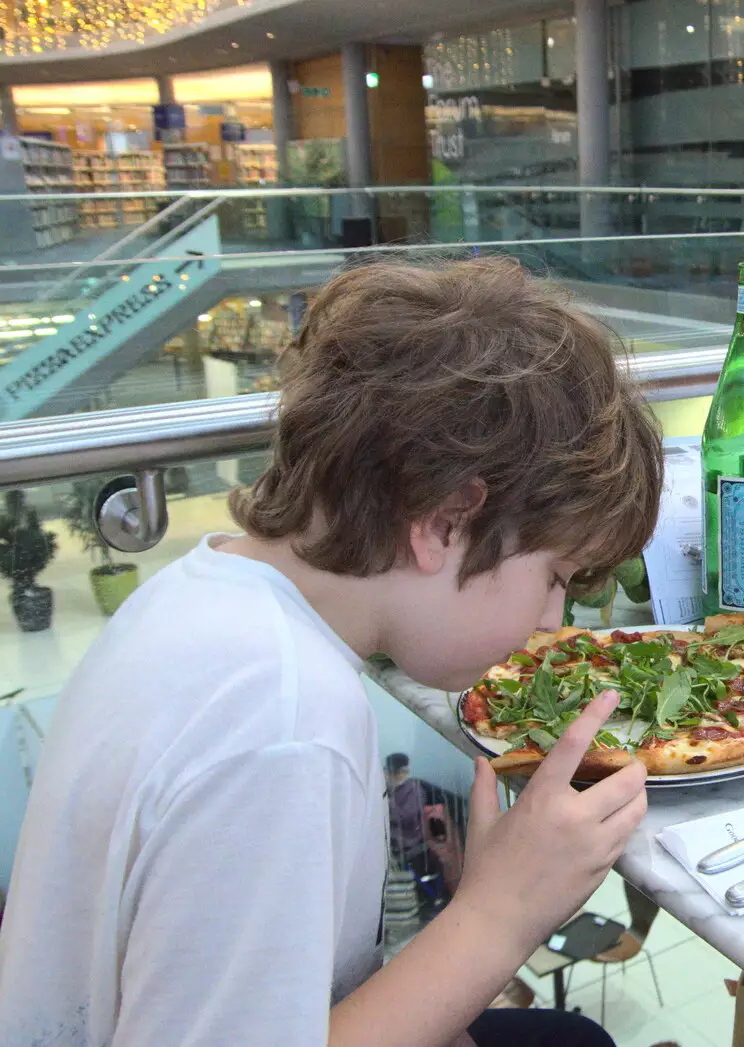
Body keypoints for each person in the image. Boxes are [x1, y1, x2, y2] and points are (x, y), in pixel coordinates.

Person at [0, 257, 663, 1047]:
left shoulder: (200, 595)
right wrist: (501, 912)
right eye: (554, 576)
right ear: (445, 522)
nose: (553, 619)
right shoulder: (283, 725)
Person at [385, 752, 465, 915]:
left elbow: (406, 817)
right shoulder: (389, 792)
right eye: (391, 772)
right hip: (398, 846)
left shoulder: (413, 789)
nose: (394, 776)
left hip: (414, 844)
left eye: (398, 772)